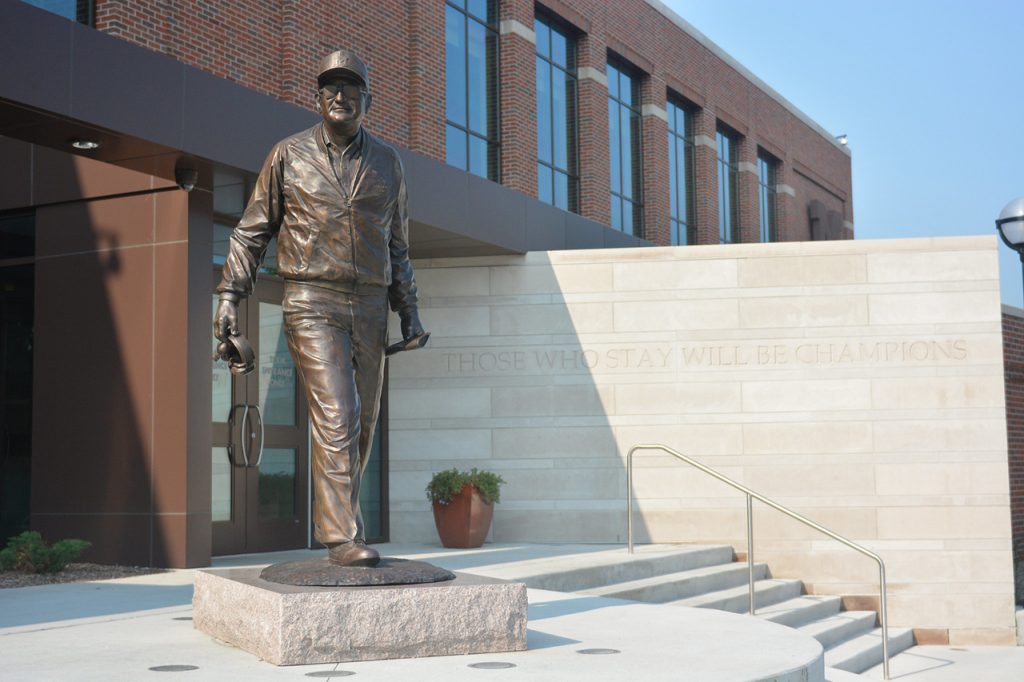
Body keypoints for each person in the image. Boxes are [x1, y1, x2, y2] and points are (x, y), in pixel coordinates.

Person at [213, 49, 424, 567]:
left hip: (371, 304)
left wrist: (409, 311)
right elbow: (250, 231)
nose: (339, 96)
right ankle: (340, 536)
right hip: (312, 299)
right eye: (330, 88)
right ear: (316, 98)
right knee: (339, 413)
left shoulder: (388, 162)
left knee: (364, 421)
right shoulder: (288, 154)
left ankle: (346, 522)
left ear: (366, 100)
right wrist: (229, 297)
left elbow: (398, 244)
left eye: (350, 89)